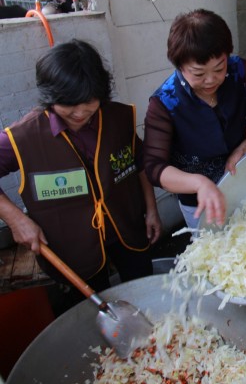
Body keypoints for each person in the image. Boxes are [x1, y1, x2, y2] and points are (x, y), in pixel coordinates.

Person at [0, 39, 162, 312]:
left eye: (88, 105)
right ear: (50, 98)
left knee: (146, 291)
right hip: (71, 246)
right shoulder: (23, 137)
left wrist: (152, 209)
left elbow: (140, 162)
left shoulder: (118, 117)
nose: (78, 114)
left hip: (127, 227)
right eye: (68, 106)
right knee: (89, 312)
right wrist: (15, 219)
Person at [143, 9, 246, 229]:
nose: (211, 80)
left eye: (219, 69)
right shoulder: (164, 103)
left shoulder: (240, 71)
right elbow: (154, 167)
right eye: (199, 74)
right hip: (199, 202)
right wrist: (198, 183)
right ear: (180, 66)